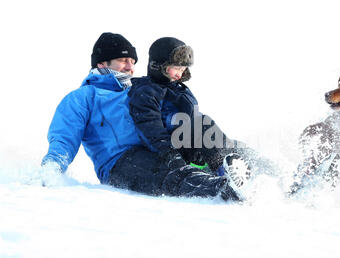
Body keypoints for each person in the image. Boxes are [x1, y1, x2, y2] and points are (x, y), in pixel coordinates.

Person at [41, 33, 241, 201]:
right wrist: (53, 167)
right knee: (166, 172)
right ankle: (222, 190)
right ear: (102, 63)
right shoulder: (84, 97)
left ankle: (245, 169)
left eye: (132, 61)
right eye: (123, 60)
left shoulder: (140, 89)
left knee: (203, 129)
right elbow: (64, 135)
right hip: (120, 162)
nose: (130, 67)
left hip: (156, 146)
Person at [124, 37, 256, 197]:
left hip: (196, 147)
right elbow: (150, 129)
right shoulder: (146, 92)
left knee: (239, 149)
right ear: (157, 66)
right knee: (202, 125)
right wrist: (170, 155)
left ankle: (277, 176)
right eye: (175, 69)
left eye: (182, 70)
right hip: (174, 152)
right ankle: (228, 177)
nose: (179, 74)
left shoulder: (177, 89)